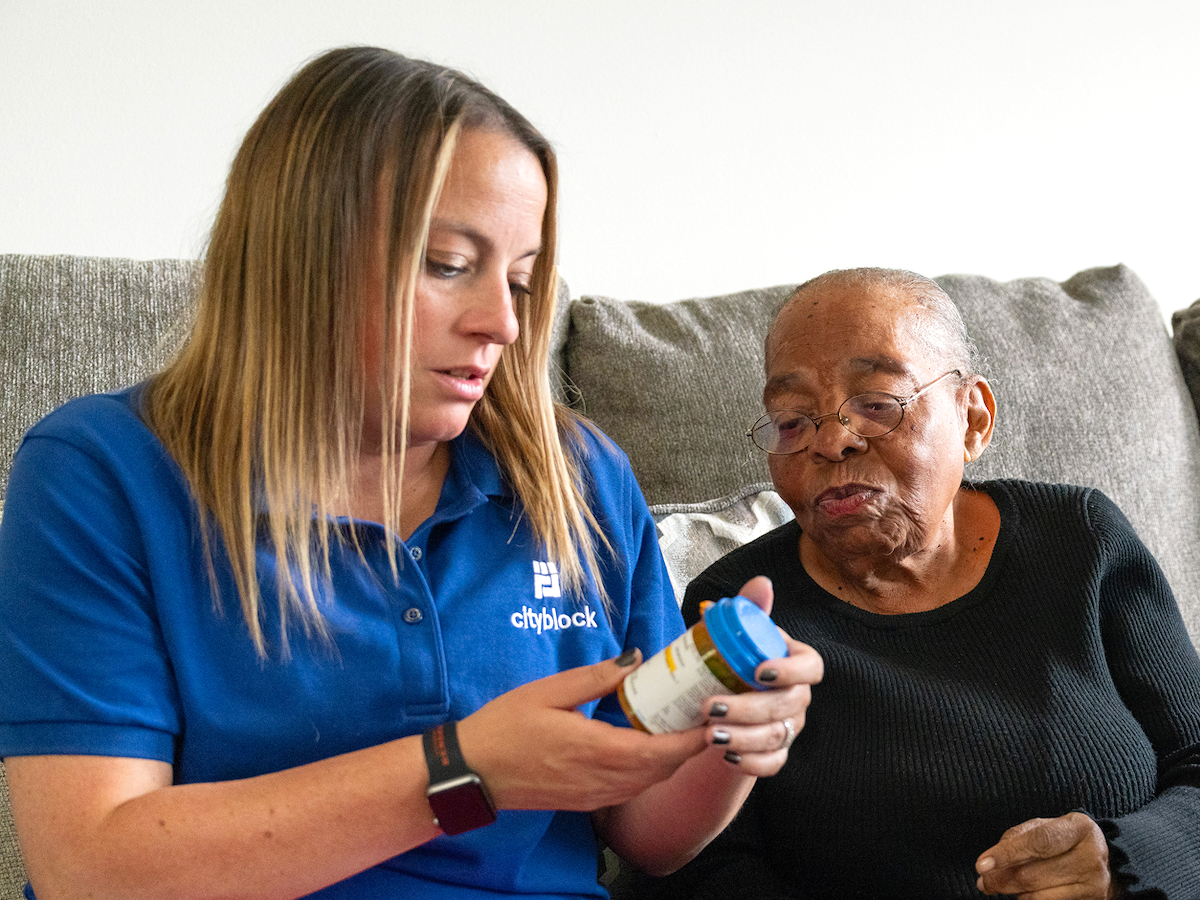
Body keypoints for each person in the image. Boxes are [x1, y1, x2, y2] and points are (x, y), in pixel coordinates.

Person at [0, 47, 823, 900]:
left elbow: (646, 836)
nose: (502, 322)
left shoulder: (576, 477)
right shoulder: (101, 472)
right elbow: (89, 867)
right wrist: (460, 771)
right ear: (299, 254)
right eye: (447, 265)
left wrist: (734, 735)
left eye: (521, 279)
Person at [644, 268, 1200, 899]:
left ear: (973, 420)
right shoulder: (737, 611)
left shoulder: (1080, 540)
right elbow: (701, 865)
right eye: (793, 420)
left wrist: (1125, 863)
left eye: (877, 404)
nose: (830, 443)